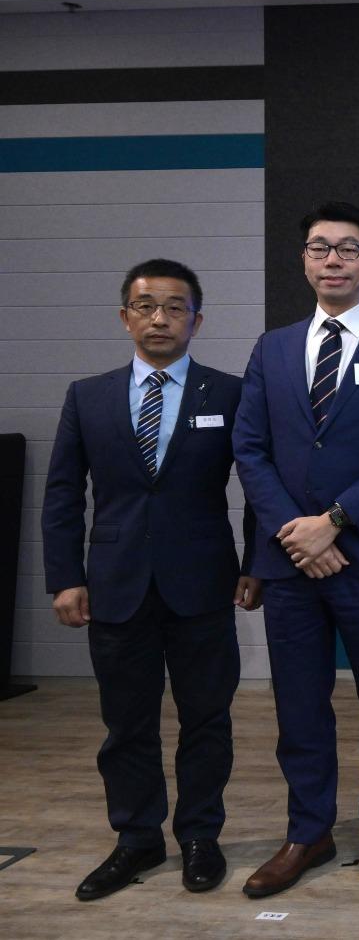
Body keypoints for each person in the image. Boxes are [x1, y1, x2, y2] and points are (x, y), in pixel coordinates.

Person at [232, 201, 359, 897]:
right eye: (320, 248)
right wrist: (298, 531)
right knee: (298, 707)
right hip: (291, 561)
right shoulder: (273, 348)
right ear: (304, 261)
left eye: (348, 249)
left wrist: (335, 521)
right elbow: (250, 449)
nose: (333, 261)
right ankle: (308, 831)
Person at [42, 259, 259, 900]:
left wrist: (257, 563)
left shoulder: (230, 393)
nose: (159, 318)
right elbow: (63, 494)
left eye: (174, 307)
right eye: (145, 306)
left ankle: (200, 836)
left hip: (204, 583)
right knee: (127, 725)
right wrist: (65, 577)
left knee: (206, 720)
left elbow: (259, 486)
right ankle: (136, 837)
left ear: (197, 319)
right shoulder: (88, 395)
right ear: (124, 317)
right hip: (115, 584)